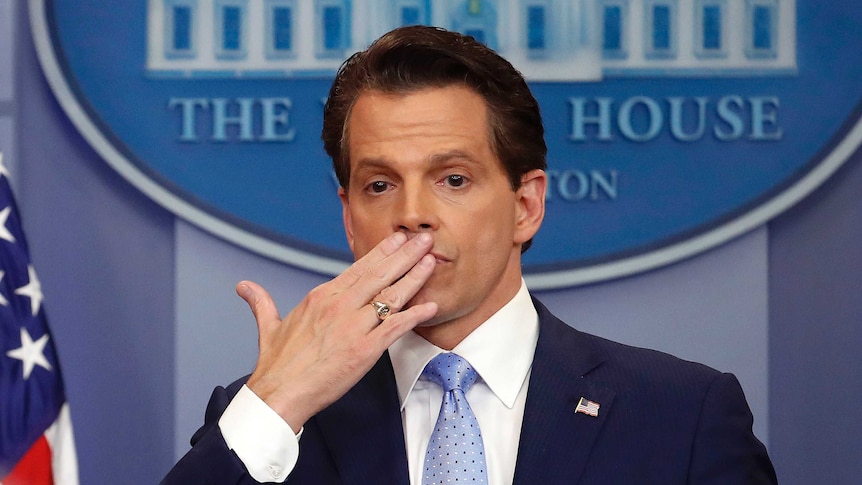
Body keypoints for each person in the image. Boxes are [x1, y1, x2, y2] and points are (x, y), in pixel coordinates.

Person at [162, 25, 777, 484]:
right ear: (350, 218)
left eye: (453, 179)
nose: (412, 213)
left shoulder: (680, 415)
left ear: (526, 205)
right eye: (380, 185)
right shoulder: (267, 416)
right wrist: (279, 400)